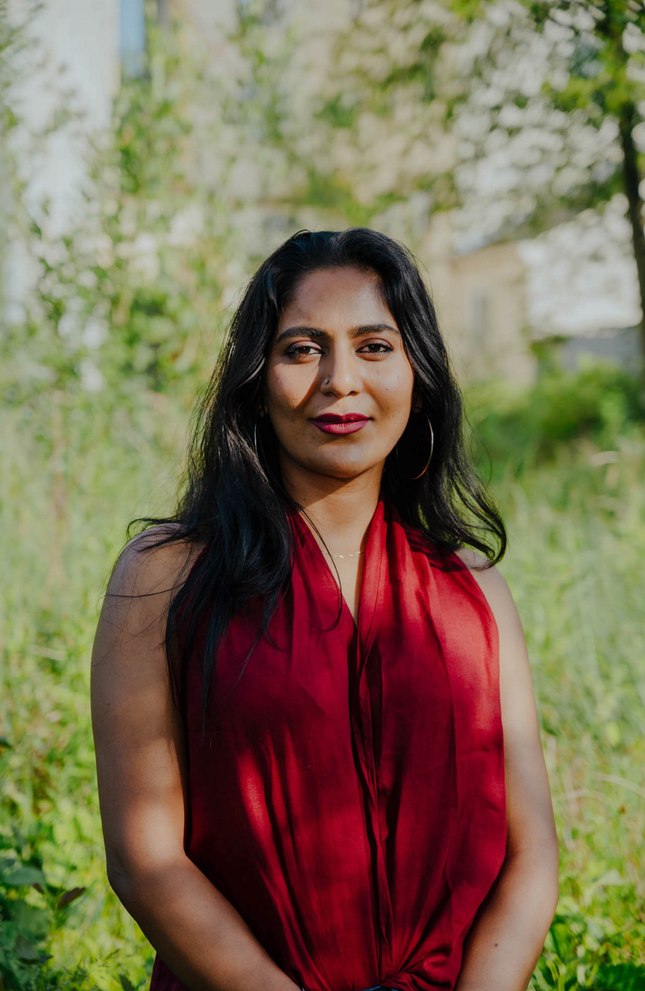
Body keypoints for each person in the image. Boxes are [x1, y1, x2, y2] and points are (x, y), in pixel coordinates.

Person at [90, 228, 559, 991]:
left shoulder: (474, 589)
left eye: (375, 345)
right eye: (302, 349)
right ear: (256, 376)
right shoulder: (165, 578)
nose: (341, 380)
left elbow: (531, 855)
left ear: (418, 371)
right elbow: (146, 862)